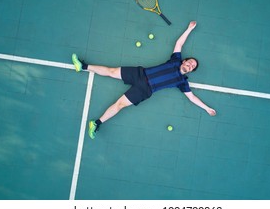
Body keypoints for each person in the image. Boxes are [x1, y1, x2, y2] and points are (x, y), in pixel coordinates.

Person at [72, 21, 216, 139]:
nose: (190, 65)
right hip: (140, 73)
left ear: (190, 70)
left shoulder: (182, 82)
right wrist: (189, 29)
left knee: (119, 104)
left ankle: (96, 123)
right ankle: (83, 66)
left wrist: (207, 108)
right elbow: (179, 44)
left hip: (145, 90)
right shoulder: (175, 60)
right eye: (190, 62)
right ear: (184, 61)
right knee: (111, 71)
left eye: (192, 67)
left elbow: (192, 98)